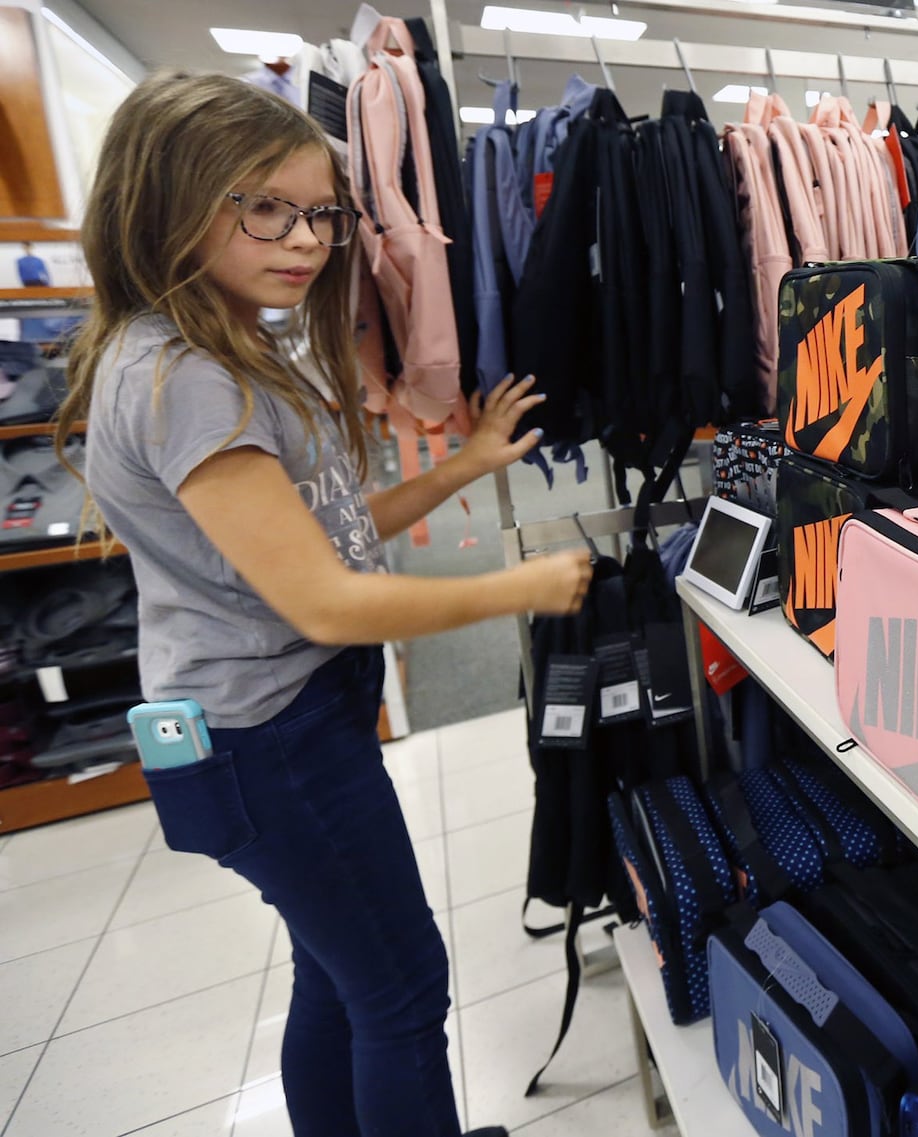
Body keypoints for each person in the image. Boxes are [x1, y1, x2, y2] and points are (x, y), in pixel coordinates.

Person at [55, 71, 592, 1137]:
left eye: (318, 213)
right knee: (399, 992)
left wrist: (461, 464)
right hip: (273, 738)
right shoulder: (188, 376)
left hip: (263, 727)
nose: (303, 241)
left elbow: (327, 533)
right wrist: (520, 587)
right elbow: (329, 602)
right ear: (165, 202)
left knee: (339, 976)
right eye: (263, 207)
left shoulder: (209, 347)